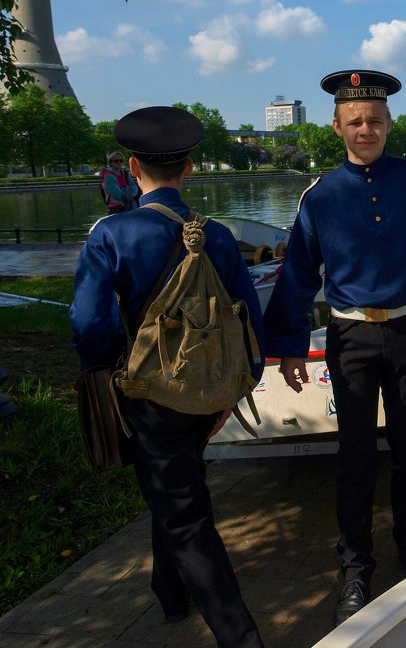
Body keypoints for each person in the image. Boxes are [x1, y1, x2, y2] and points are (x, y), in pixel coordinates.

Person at [262, 69, 406, 626]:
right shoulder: (320, 196)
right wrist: (286, 345)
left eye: (374, 120)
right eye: (354, 122)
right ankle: (355, 567)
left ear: (389, 123)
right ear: (336, 127)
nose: (365, 129)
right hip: (349, 335)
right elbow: (299, 272)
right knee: (354, 457)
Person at [70, 107, 266, 648]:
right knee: (178, 485)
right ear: (190, 167)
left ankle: (241, 637)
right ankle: (170, 591)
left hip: (146, 394)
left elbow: (88, 323)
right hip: (206, 390)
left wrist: (106, 371)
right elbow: (249, 318)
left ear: (133, 167)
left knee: (184, 514)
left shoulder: (112, 234)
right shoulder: (220, 236)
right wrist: (239, 383)